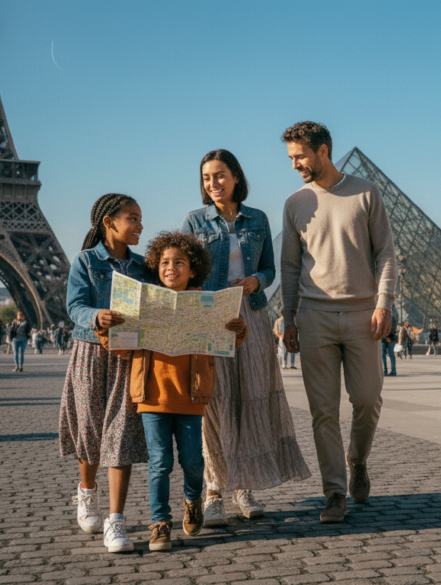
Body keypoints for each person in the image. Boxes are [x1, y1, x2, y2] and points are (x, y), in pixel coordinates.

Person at [183, 148, 310, 526]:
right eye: (206, 178)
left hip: (251, 316)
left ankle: (243, 486)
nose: (213, 184)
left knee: (249, 401)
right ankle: (213, 491)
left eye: (220, 175)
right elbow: (184, 270)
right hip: (210, 316)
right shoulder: (194, 220)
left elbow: (270, 268)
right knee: (214, 404)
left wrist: (258, 280)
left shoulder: (258, 219)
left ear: (236, 177)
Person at [100, 231, 248, 551]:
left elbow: (227, 341)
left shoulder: (207, 305)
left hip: (192, 396)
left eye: (179, 262)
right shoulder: (144, 304)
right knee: (160, 463)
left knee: (193, 462)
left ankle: (193, 498)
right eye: (164, 262)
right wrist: (106, 329)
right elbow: (120, 349)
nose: (171, 268)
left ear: (192, 269)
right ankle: (160, 522)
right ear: (156, 267)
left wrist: (238, 330)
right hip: (151, 395)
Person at [280, 122, 395, 523]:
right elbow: (290, 266)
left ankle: (357, 460)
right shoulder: (295, 203)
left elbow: (386, 254)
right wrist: (287, 318)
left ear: (323, 151)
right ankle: (334, 492)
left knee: (367, 400)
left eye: (300, 156)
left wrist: (385, 302)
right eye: (291, 158)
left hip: (365, 314)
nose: (295, 165)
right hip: (314, 316)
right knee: (323, 411)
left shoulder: (366, 191)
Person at [59, 193, 150, 553]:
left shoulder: (145, 266)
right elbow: (74, 305)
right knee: (90, 429)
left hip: (128, 357)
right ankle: (86, 492)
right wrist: (96, 315)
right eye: (133, 218)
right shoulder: (85, 261)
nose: (140, 225)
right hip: (91, 352)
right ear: (109, 222)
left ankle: (116, 520)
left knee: (121, 435)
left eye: (141, 218)